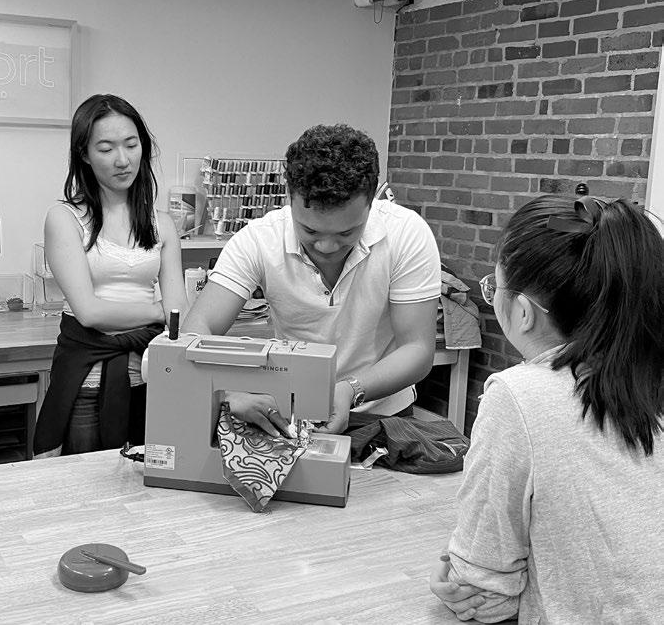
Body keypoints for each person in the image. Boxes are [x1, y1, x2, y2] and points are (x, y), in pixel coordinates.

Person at [430, 195, 664, 623]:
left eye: (492, 287)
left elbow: (485, 595)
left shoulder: (518, 397)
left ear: (523, 312)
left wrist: (460, 578)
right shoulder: (649, 380)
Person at [181, 124, 441, 436]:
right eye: (310, 231)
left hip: (382, 415)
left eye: (347, 232)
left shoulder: (406, 233)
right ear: (289, 197)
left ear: (371, 202)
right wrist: (227, 393)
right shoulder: (259, 240)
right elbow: (197, 331)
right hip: (287, 417)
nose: (327, 246)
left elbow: (417, 349)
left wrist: (350, 389)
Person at [32, 94, 186, 456]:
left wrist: (167, 314)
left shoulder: (163, 224)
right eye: (106, 148)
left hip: (149, 378)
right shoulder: (66, 219)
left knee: (148, 479)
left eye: (131, 145)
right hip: (87, 384)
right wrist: (157, 312)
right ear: (84, 154)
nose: (122, 159)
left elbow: (180, 317)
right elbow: (89, 313)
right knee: (87, 482)